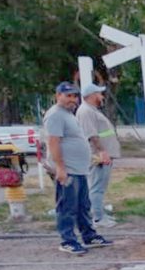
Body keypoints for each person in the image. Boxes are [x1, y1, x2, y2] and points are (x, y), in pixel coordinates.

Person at [43, 81, 112, 255]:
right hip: (68, 170)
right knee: (67, 206)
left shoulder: (69, 115)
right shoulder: (55, 115)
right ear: (58, 96)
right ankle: (67, 240)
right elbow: (53, 142)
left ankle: (88, 235)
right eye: (68, 96)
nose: (72, 99)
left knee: (83, 205)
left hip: (79, 169)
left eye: (75, 96)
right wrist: (60, 168)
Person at [76, 82, 120, 228]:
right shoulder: (86, 111)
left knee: (99, 186)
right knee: (97, 187)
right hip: (98, 156)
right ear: (93, 95)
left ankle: (99, 213)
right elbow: (92, 135)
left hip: (102, 154)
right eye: (99, 94)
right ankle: (98, 218)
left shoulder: (91, 110)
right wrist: (102, 152)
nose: (102, 97)